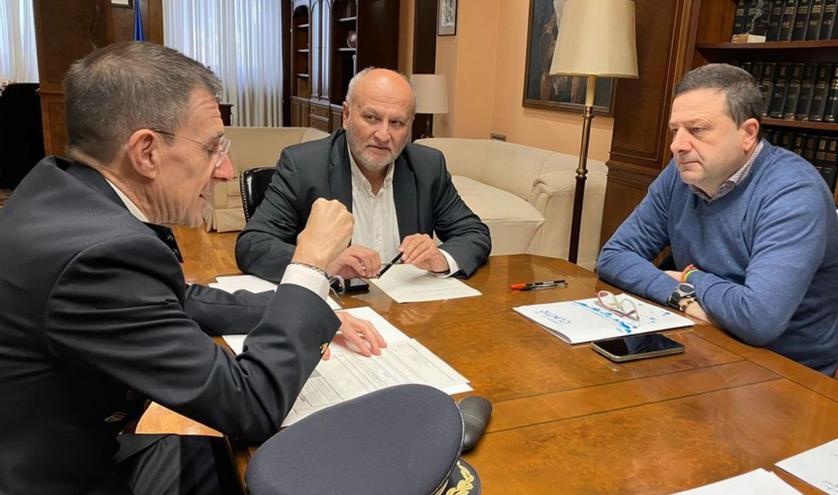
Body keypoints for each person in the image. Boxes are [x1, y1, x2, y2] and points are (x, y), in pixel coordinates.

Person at [0, 42, 387, 495]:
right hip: (55, 479)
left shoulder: (62, 189)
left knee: (228, 461)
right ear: (146, 151)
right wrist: (309, 266)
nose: (226, 171)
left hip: (70, 449)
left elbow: (177, 299)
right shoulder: (98, 255)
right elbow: (252, 406)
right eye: (212, 148)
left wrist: (303, 309)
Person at [597, 63, 838, 374]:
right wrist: (682, 297)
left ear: (748, 133)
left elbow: (758, 320)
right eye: (676, 130)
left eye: (697, 130)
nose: (677, 145)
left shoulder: (793, 193)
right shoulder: (679, 176)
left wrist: (690, 278)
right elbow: (614, 256)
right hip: (701, 345)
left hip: (787, 373)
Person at [235, 68, 491, 283]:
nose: (383, 135)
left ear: (410, 125)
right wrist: (322, 262)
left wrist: (440, 258)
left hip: (407, 311)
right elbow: (252, 245)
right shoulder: (303, 166)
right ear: (346, 115)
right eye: (371, 118)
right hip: (332, 310)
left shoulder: (427, 166)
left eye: (397, 123)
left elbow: (474, 233)